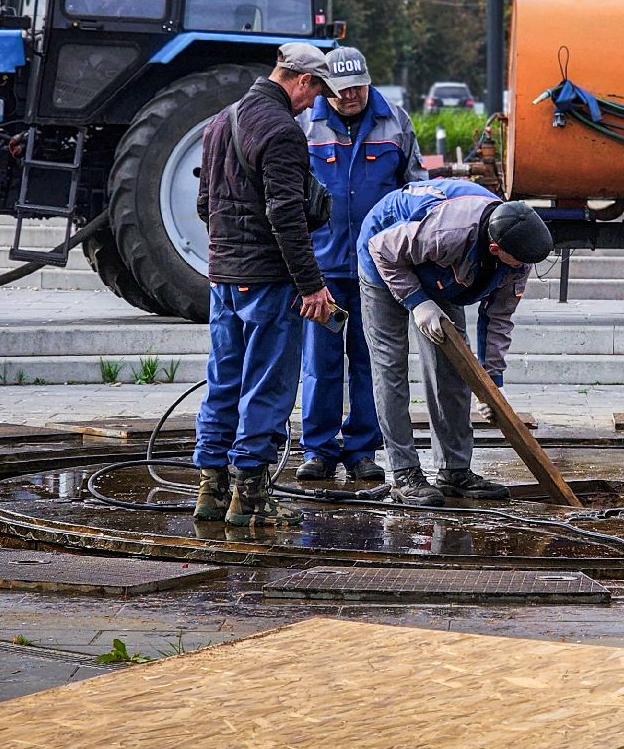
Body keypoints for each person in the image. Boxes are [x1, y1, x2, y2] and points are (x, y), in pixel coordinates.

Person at [191, 42, 337, 527]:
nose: (314, 103)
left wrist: (229, 251)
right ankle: (249, 493)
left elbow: (204, 204)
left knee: (223, 379)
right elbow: (286, 215)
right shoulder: (282, 132)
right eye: (316, 92)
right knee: (267, 386)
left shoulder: (220, 121)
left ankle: (210, 490)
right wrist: (312, 285)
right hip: (268, 279)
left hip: (224, 277)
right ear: (301, 80)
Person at [357, 178, 554, 506]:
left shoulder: (517, 250)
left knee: (452, 368)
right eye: (519, 262)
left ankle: (454, 470)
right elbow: (383, 248)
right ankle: (405, 473)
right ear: (495, 249)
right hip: (386, 254)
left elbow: (499, 319)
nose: (524, 269)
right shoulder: (449, 232)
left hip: (441, 268)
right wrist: (417, 302)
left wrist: (491, 384)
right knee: (391, 368)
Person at [294, 46, 425, 483]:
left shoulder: (396, 122)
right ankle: (318, 449)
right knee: (320, 361)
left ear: (369, 81)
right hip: (322, 273)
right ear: (325, 87)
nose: (350, 96)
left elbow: (415, 191)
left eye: (358, 87)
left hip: (377, 269)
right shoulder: (305, 125)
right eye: (341, 88)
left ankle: (363, 451)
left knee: (371, 362)